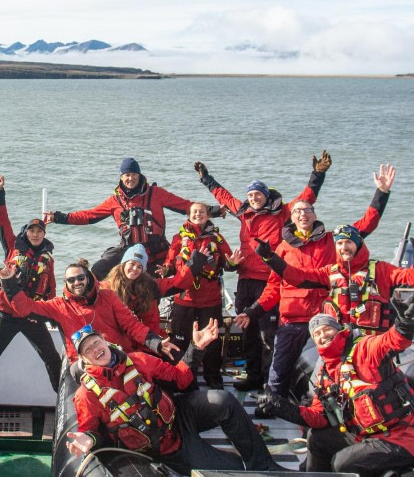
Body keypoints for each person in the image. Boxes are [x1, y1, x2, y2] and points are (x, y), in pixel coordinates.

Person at [242, 165, 394, 400]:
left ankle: (330, 408)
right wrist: (252, 312)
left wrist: (381, 194)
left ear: (314, 215)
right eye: (298, 212)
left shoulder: (333, 241)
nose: (303, 214)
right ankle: (275, 402)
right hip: (291, 319)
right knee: (278, 369)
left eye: (307, 211)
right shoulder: (282, 248)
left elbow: (365, 226)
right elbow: (273, 287)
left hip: (327, 319)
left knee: (334, 369)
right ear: (291, 218)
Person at [194, 151, 331, 391]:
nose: (253, 198)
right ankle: (253, 375)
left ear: (266, 196)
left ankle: (272, 380)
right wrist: (206, 178)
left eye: (257, 194)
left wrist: (317, 174)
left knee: (269, 335)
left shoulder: (282, 213)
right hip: (245, 280)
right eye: (250, 194)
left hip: (269, 281)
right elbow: (223, 196)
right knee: (246, 330)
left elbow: (306, 199)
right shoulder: (243, 211)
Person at [66, 325, 282, 475]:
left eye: (96, 341)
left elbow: (181, 379)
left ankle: (265, 465)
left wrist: (196, 348)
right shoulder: (86, 395)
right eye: (88, 349)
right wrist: (89, 440)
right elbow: (91, 431)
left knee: (222, 400)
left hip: (178, 418)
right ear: (84, 359)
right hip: (160, 448)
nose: (96, 349)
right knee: (231, 470)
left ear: (105, 341)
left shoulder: (138, 360)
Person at [256, 307, 414, 475]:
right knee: (316, 439)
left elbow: (391, 341)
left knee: (342, 463)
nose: (323, 336)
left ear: (339, 330)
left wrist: (404, 325)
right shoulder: (326, 372)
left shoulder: (364, 349)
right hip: (364, 434)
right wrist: (281, 407)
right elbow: (318, 418)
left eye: (327, 329)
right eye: (317, 334)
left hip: (399, 437)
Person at [0, 175, 62, 397]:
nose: (35, 235)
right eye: (31, 231)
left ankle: (63, 397)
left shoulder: (48, 259)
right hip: (7, 313)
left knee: (52, 357)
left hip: (32, 315)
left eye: (39, 232)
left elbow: (51, 289)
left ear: (44, 235)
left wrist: (51, 314)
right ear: (25, 233)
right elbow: (2, 221)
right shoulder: (12, 247)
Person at [0, 257, 201, 362]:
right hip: (84, 363)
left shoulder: (107, 296)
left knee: (167, 373)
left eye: (80, 278)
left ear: (88, 278)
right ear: (66, 283)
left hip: (117, 356)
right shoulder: (59, 306)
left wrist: (156, 343)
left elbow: (132, 325)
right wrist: (8, 282)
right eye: (71, 280)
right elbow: (25, 308)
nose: (76, 282)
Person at [44, 157, 216, 280]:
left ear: (139, 176)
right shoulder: (115, 201)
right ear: (121, 177)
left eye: (134, 174)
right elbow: (89, 216)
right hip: (128, 251)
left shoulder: (156, 193)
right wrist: (59, 217)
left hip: (156, 253)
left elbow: (186, 206)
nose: (130, 178)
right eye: (126, 175)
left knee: (158, 285)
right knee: (97, 270)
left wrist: (213, 211)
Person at [254, 224, 414, 333]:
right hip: (339, 341)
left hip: (372, 342)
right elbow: (297, 277)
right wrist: (270, 257)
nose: (344, 247)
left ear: (358, 244)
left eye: (348, 242)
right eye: (339, 243)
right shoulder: (329, 272)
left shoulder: (381, 269)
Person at [160, 202, 242, 389]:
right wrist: (165, 270)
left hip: (210, 300)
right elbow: (171, 263)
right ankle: (180, 377)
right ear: (189, 215)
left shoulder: (217, 239)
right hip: (184, 299)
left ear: (208, 215)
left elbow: (228, 262)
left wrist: (233, 264)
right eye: (194, 212)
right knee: (179, 339)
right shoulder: (178, 238)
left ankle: (213, 377)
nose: (198, 214)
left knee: (212, 341)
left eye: (202, 212)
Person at [101, 244, 167, 338]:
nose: (135, 269)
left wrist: (154, 341)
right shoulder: (107, 287)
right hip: (115, 334)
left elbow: (151, 320)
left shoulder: (147, 288)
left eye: (140, 266)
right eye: (132, 264)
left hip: (137, 332)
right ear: (124, 264)